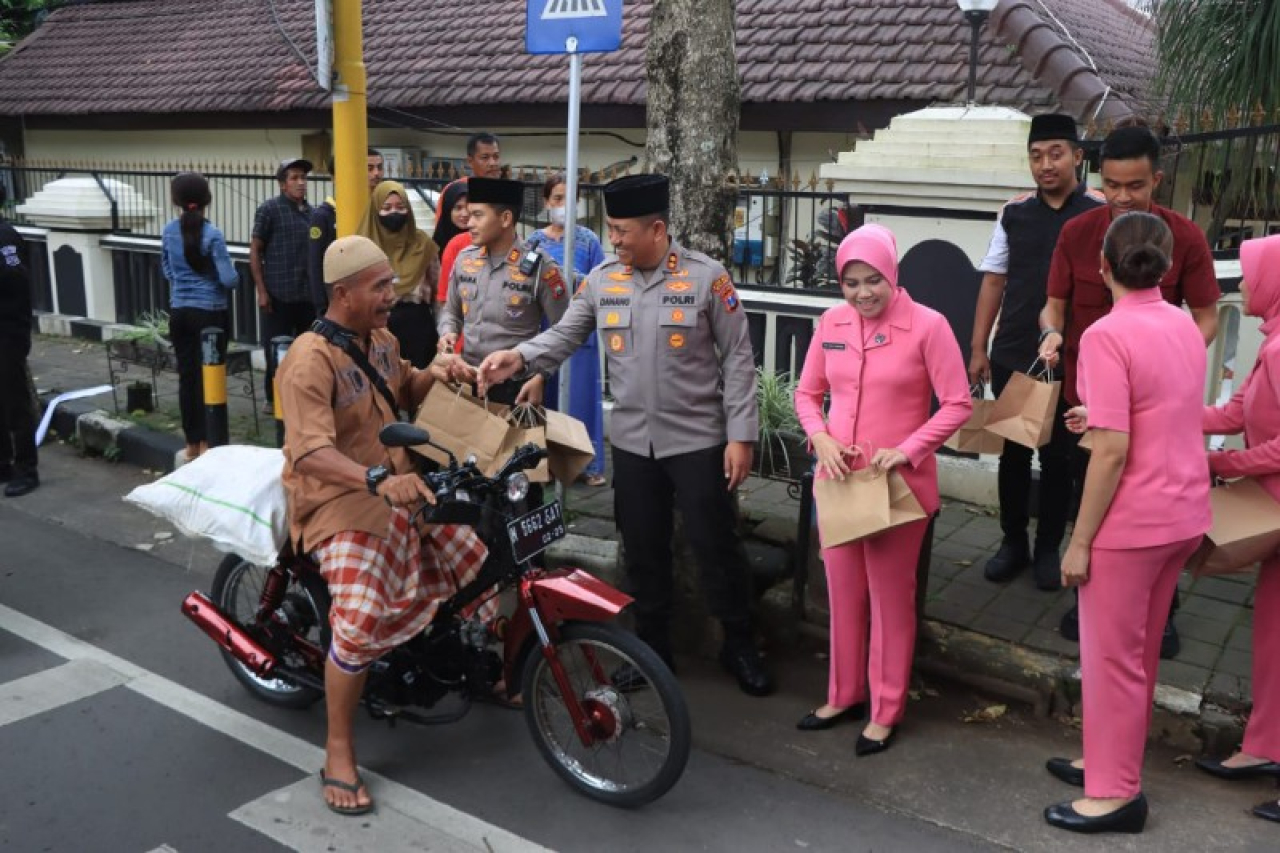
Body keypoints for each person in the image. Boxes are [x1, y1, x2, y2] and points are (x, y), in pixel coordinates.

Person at [477, 173, 775, 697]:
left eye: (621, 230)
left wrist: (741, 436)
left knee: (717, 549)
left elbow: (740, 358)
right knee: (641, 554)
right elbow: (565, 334)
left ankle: (740, 644)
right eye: (610, 229)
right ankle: (651, 653)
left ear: (656, 229)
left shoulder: (708, 279)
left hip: (700, 441)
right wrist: (517, 358)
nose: (612, 239)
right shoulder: (602, 281)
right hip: (635, 445)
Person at [278, 235, 489, 816]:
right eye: (379, 287)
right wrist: (375, 482)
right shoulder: (308, 360)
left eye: (389, 285)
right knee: (361, 616)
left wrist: (439, 372)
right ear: (343, 294)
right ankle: (338, 749)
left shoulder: (382, 340)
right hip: (338, 502)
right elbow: (310, 453)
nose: (391, 295)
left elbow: (400, 389)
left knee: (475, 556)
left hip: (401, 487)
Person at [1043, 212, 1211, 835]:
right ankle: (1109, 763)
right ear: (1167, 267)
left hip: (1132, 521)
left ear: (1101, 267)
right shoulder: (1186, 326)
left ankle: (1115, 794)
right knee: (1136, 656)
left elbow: (1112, 450)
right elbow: (1162, 408)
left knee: (1112, 659)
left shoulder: (1108, 335)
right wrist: (1102, 414)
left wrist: (1079, 540)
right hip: (1183, 512)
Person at [1040, 124, 1221, 655]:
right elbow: (1055, 304)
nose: (1122, 197)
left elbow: (1206, 318)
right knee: (1090, 494)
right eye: (1113, 184)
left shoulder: (1183, 237)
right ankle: (1088, 595)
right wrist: (1051, 332)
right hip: (1086, 403)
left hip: (1155, 411)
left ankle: (1162, 611)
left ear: (1156, 180)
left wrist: (1165, 359)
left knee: (1157, 515)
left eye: (1135, 185)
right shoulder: (1077, 233)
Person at [794, 224, 971, 751]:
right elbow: (808, 393)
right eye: (851, 282)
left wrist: (911, 448)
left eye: (873, 280)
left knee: (892, 601)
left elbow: (958, 403)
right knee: (842, 594)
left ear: (892, 275)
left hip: (898, 486)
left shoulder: (928, 326)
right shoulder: (831, 322)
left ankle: (886, 708)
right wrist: (820, 437)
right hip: (841, 481)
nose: (863, 292)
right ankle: (844, 692)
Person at [969, 114, 1104, 590]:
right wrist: (978, 346)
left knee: (1059, 460)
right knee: (1011, 451)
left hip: (1074, 359)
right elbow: (993, 279)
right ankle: (1012, 542)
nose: (1046, 164)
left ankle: (1049, 547)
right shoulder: (1014, 213)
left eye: (1056, 153)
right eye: (1036, 155)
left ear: (1077, 157)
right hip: (1014, 354)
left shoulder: (1100, 212)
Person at [1193, 233, 1280, 825]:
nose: (1242, 286)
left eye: (1251, 275)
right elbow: (1234, 412)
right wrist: (1158, 414)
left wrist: (1220, 463)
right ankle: (1264, 746)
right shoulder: (1270, 342)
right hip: (1270, 503)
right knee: (1271, 636)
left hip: (1270, 496)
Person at [435, 176, 568, 407]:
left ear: (505, 218)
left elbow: (565, 330)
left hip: (518, 388)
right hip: (467, 381)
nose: (469, 223)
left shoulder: (540, 267)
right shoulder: (465, 260)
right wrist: (448, 332)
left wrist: (541, 375)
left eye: (478, 215)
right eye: (469, 214)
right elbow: (451, 312)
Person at [526, 173, 608, 486]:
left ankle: (588, 463)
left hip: (581, 329)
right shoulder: (534, 241)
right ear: (546, 202)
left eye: (569, 199)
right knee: (545, 394)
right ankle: (547, 462)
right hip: (547, 327)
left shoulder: (589, 240)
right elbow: (523, 279)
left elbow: (602, 280)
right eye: (557, 199)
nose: (563, 205)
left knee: (583, 395)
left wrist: (576, 279)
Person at [160, 172, 241, 461]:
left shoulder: (168, 231)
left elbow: (167, 270)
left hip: (179, 312)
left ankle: (192, 443)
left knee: (187, 377)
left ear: (176, 201)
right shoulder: (213, 234)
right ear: (207, 199)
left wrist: (183, 283)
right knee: (211, 377)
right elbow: (229, 279)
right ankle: (210, 442)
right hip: (209, 315)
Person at [252, 157, 316, 411]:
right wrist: (261, 290)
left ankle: (303, 395)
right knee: (275, 348)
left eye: (304, 178)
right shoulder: (269, 210)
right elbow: (255, 250)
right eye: (294, 178)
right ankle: (273, 397)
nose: (301, 183)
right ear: (282, 184)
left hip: (307, 295)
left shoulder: (313, 213)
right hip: (278, 293)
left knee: (308, 351)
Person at [357, 180, 440, 368]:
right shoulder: (363, 246)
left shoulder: (423, 244)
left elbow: (438, 294)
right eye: (386, 208)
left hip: (418, 329)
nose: (394, 213)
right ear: (375, 210)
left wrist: (443, 332)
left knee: (417, 387)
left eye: (400, 207)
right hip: (375, 328)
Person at [308, 148, 385, 313]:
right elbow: (316, 264)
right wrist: (322, 305)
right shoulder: (323, 216)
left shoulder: (380, 209)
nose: (376, 174)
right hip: (341, 301)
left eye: (379, 167)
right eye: (369, 168)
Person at [0, 182, 38, 498]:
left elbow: (16, 285)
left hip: (7, 333)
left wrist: (20, 334)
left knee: (16, 403)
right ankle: (4, 463)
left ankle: (27, 469)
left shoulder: (6, 238)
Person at [432, 180, 470, 306]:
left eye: (469, 207)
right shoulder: (435, 245)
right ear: (448, 210)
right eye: (458, 208)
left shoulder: (484, 241)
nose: (464, 214)